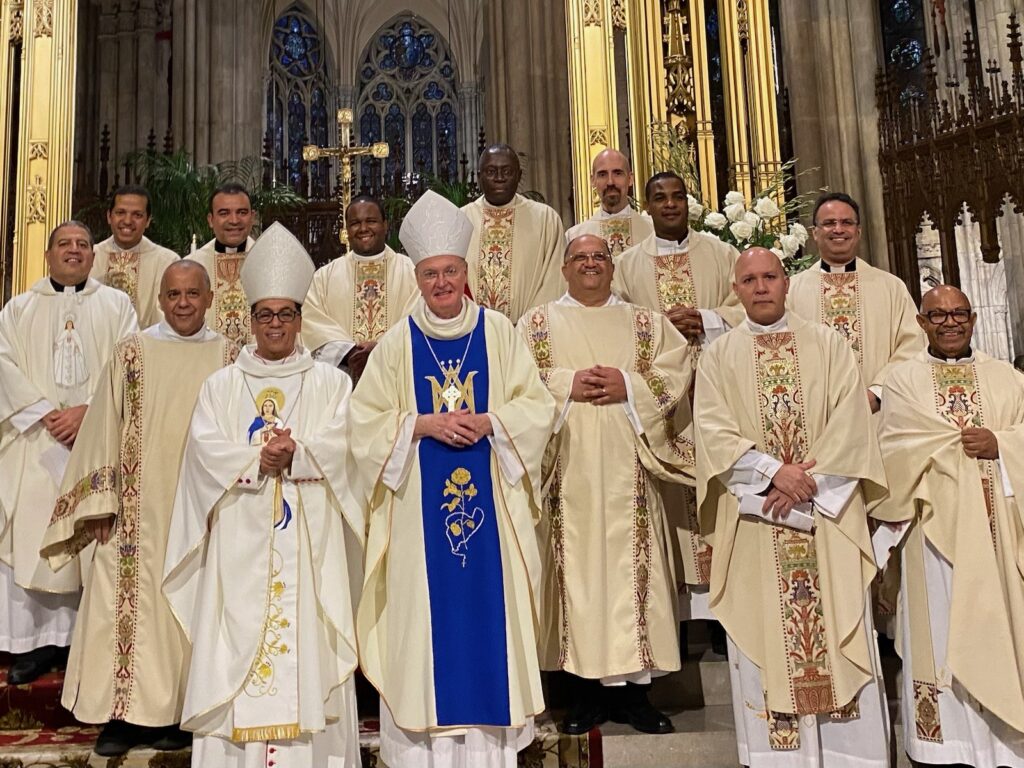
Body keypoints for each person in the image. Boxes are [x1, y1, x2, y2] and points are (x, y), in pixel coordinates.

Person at [350, 190, 555, 768]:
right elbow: (362, 427)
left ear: (467, 273)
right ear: (417, 277)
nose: (441, 283)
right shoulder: (395, 345)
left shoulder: (499, 333)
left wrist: (491, 420)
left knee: (488, 625)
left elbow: (537, 407)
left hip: (492, 504)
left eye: (450, 272)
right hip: (417, 518)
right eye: (431, 274)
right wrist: (421, 424)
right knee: (424, 633)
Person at [163, 222, 362, 767]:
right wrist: (256, 459)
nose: (276, 324)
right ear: (249, 320)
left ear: (300, 320)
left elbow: (350, 446)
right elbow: (203, 453)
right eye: (265, 315)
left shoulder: (330, 383)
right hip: (239, 552)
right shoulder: (222, 385)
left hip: (309, 549)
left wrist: (301, 453)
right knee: (238, 646)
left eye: (286, 314)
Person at [694, 247, 891, 767]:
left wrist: (806, 481)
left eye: (769, 277)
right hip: (759, 520)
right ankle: (775, 757)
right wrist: (771, 473)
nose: (760, 287)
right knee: (764, 634)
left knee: (837, 625)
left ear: (786, 284)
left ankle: (854, 757)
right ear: (735, 290)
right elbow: (711, 431)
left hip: (825, 518)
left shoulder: (828, 344)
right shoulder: (718, 355)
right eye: (749, 279)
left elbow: (852, 425)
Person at [41, 260, 235, 757]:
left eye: (193, 294)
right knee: (122, 606)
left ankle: (178, 714)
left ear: (210, 298)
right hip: (133, 509)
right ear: (160, 299)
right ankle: (122, 717)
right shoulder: (132, 352)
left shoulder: (230, 355)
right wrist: (101, 501)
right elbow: (105, 422)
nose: (183, 303)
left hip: (204, 509)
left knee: (188, 608)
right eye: (173, 295)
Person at [517, 234, 692, 735]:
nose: (591, 265)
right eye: (581, 259)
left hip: (629, 471)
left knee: (634, 575)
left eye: (599, 258)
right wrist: (563, 384)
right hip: (566, 474)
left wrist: (629, 386)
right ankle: (584, 697)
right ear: (565, 269)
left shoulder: (644, 322)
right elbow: (513, 379)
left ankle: (638, 699)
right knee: (576, 579)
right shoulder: (535, 324)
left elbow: (678, 366)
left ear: (611, 269)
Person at [879, 285, 1024, 767]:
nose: (949, 323)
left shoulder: (1006, 378)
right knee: (939, 632)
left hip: (999, 530)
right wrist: (944, 449)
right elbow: (891, 448)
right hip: (931, 535)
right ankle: (946, 745)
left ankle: (1002, 744)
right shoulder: (901, 381)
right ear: (921, 323)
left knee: (1000, 624)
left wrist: (1002, 444)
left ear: (974, 318)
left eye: (959, 313)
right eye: (937, 315)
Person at [0, 221, 137, 684]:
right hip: (35, 442)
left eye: (82, 244)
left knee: (92, 537)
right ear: (48, 254)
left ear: (93, 256)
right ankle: (37, 643)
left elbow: (129, 364)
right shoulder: (18, 309)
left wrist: (88, 412)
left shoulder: (117, 306)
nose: (74, 251)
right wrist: (43, 413)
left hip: (96, 440)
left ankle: (87, 641)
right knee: (35, 537)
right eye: (65, 244)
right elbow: (3, 364)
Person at [613, 170, 743, 629]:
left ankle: (728, 614)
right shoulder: (628, 264)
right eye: (659, 198)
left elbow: (746, 306)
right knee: (668, 505)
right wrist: (660, 328)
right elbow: (617, 323)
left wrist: (705, 318)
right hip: (660, 402)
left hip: (715, 392)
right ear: (646, 207)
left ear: (688, 202)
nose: (669, 205)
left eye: (677, 196)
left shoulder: (723, 254)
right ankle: (680, 617)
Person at [301, 195, 418, 380]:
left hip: (397, 376)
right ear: (346, 229)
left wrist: (380, 349)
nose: (363, 229)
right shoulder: (324, 277)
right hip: (343, 379)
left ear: (385, 224)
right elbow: (311, 323)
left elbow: (417, 320)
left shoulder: (411, 271)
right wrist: (349, 353)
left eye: (371, 221)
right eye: (355, 223)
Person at [461, 144, 565, 323]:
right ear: (479, 177)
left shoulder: (546, 219)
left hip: (528, 332)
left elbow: (554, 281)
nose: (499, 178)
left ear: (519, 176)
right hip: (473, 332)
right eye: (491, 171)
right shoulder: (462, 219)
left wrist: (528, 326)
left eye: (507, 172)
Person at [91, 184, 180, 327]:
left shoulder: (167, 262)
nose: (127, 221)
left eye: (137, 215)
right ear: (109, 216)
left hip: (148, 346)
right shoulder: (91, 257)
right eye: (120, 212)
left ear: (148, 220)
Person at [186, 182, 257, 347]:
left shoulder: (269, 262)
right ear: (211, 220)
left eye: (242, 212)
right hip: (205, 359)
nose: (234, 220)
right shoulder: (192, 266)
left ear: (252, 217)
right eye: (224, 213)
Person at [565, 148, 654, 256]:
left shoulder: (653, 230)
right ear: (592, 180)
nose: (610, 182)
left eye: (617, 173)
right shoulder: (575, 237)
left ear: (630, 179)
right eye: (602, 174)